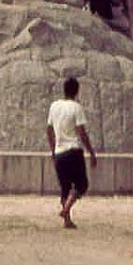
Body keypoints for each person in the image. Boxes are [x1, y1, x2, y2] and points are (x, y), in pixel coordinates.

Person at [46, 77, 97, 229]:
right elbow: (82, 132)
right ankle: (66, 209)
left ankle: (67, 220)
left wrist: (53, 149)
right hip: (73, 151)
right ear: (76, 91)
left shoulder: (54, 106)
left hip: (60, 152)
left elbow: (49, 130)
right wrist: (92, 153)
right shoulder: (76, 107)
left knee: (65, 187)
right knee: (82, 184)